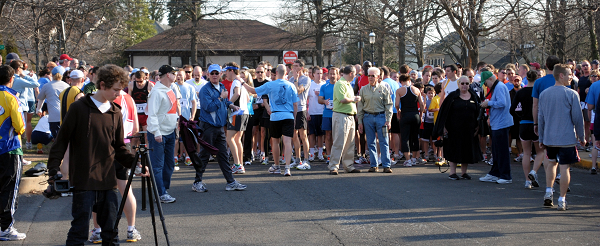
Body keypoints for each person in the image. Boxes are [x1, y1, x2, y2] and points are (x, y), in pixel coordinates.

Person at [47, 64, 142, 245]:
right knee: (79, 231)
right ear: (103, 85)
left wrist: (136, 162)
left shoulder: (115, 111)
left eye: (121, 90)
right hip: (84, 180)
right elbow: (61, 141)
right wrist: (53, 170)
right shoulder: (78, 108)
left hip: (108, 181)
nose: (119, 94)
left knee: (111, 232)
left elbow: (119, 148)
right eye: (115, 90)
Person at [89, 88, 142, 244]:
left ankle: (98, 230)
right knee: (125, 189)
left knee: (98, 189)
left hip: (105, 148)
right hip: (124, 145)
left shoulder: (105, 98)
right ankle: (131, 229)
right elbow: (136, 128)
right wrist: (132, 149)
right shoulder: (129, 99)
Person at [538, 64, 585, 211]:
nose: (571, 77)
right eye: (569, 74)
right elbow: (578, 118)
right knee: (565, 167)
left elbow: (541, 118)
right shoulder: (571, 94)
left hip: (550, 138)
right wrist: (582, 136)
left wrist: (541, 138)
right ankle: (562, 199)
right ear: (561, 75)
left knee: (551, 164)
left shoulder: (544, 94)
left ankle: (548, 192)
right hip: (566, 138)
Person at [194, 64, 247, 191]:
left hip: (219, 127)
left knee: (223, 155)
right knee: (204, 155)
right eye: (212, 73)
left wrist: (231, 105)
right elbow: (208, 107)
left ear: (220, 74)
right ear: (207, 74)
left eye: (216, 73)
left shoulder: (221, 86)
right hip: (208, 127)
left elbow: (225, 101)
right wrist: (221, 98)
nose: (214, 76)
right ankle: (197, 182)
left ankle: (231, 182)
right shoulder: (205, 90)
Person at [243, 64, 298, 176]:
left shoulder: (271, 84)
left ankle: (277, 166)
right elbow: (295, 104)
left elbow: (253, 91)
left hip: (276, 116)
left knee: (276, 141)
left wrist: (242, 82)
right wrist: (295, 118)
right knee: (287, 142)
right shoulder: (291, 85)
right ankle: (287, 168)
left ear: (276, 72)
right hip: (288, 115)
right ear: (285, 73)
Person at [433, 76, 482, 180]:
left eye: (467, 83)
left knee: (467, 149)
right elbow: (444, 113)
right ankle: (452, 173)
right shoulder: (452, 96)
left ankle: (464, 173)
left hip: (469, 129)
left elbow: (479, 112)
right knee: (454, 149)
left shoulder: (473, 96)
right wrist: (444, 127)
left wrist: (478, 126)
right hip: (454, 129)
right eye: (462, 83)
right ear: (459, 84)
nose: (464, 86)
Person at [146, 65, 180, 203]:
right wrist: (156, 132)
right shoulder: (156, 92)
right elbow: (151, 114)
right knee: (158, 165)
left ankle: (162, 189)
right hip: (158, 133)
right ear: (167, 75)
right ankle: (161, 193)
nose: (176, 75)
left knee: (169, 164)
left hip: (170, 131)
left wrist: (176, 124)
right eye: (173, 73)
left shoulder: (170, 89)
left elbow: (173, 111)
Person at [0, 65, 26, 241]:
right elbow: (20, 126)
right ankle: (6, 228)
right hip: (9, 149)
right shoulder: (11, 98)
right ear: (11, 79)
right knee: (9, 188)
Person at [479, 71, 514, 184]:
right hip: (498, 123)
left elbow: (502, 103)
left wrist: (489, 103)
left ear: (490, 79)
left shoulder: (499, 87)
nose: (486, 86)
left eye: (486, 83)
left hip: (501, 123)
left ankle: (506, 175)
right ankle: (495, 173)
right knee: (496, 150)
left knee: (501, 151)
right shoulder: (499, 86)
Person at [511, 70, 543, 189]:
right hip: (536, 123)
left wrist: (520, 118)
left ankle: (527, 181)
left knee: (526, 153)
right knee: (540, 152)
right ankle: (534, 171)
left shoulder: (520, 92)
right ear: (537, 79)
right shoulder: (539, 92)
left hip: (524, 123)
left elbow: (512, 109)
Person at [357, 67, 394, 173]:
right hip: (367, 117)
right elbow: (360, 106)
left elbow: (389, 105)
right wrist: (360, 121)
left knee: (384, 141)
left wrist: (388, 119)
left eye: (373, 76)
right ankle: (374, 165)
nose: (370, 78)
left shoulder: (384, 88)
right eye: (369, 75)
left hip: (381, 117)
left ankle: (386, 165)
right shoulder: (363, 89)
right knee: (371, 142)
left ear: (378, 77)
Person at [329, 65, 362, 175]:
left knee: (350, 143)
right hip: (341, 115)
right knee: (339, 141)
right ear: (351, 73)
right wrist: (354, 99)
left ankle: (348, 165)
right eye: (355, 74)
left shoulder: (347, 84)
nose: (355, 76)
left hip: (349, 115)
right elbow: (342, 99)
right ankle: (334, 166)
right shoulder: (340, 83)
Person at [225, 62, 249, 174]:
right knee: (237, 140)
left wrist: (229, 103)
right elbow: (248, 98)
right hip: (245, 112)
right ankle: (240, 165)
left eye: (226, 71)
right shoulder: (241, 81)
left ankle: (237, 164)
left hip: (237, 113)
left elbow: (237, 93)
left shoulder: (236, 81)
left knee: (229, 138)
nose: (225, 74)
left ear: (231, 71)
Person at [396, 74, 425, 166]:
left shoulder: (400, 90)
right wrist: (420, 115)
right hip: (415, 115)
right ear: (409, 80)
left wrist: (398, 111)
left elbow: (396, 104)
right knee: (415, 137)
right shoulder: (416, 90)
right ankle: (414, 158)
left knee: (405, 138)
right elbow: (422, 104)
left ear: (401, 82)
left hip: (405, 115)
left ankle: (408, 160)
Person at [288, 59, 311, 170]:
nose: (294, 68)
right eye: (293, 66)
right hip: (291, 109)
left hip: (301, 109)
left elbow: (298, 91)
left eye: (296, 66)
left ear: (301, 68)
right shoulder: (290, 79)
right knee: (293, 135)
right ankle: (297, 159)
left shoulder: (306, 79)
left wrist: (296, 80)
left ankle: (306, 160)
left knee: (303, 135)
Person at [35, 66, 69, 139]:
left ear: (52, 75)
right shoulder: (67, 86)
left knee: (56, 137)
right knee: (65, 137)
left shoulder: (47, 86)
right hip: (65, 115)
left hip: (53, 117)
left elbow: (41, 98)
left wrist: (38, 109)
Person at [174, 70, 197, 167]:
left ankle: (188, 157)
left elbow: (194, 102)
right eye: (177, 75)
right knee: (176, 138)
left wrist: (192, 116)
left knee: (187, 138)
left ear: (185, 76)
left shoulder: (190, 87)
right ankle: (175, 157)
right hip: (174, 117)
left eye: (180, 75)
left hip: (186, 117)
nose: (179, 77)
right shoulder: (173, 86)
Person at [318, 67, 339, 164]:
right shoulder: (324, 86)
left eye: (334, 74)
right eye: (330, 74)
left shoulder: (340, 85)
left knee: (337, 136)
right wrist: (325, 101)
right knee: (328, 135)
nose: (332, 76)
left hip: (338, 114)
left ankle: (336, 155)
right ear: (328, 75)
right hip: (327, 114)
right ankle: (329, 155)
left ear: (337, 74)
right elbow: (319, 99)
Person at [307, 66, 326, 162]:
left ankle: (320, 153)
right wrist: (307, 112)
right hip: (312, 112)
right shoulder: (310, 85)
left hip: (322, 113)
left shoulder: (324, 84)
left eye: (321, 73)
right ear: (313, 74)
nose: (319, 75)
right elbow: (306, 100)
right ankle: (311, 154)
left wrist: (321, 96)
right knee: (312, 134)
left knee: (321, 134)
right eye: (318, 73)